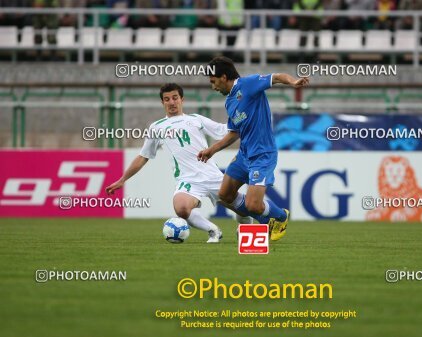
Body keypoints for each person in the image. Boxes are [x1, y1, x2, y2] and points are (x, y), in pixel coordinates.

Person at [105, 83, 252, 243]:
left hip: (213, 176)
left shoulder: (196, 119)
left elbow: (224, 130)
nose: (171, 102)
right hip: (188, 180)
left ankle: (245, 229)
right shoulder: (156, 127)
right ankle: (213, 231)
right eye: (167, 99)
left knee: (244, 209)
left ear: (182, 99)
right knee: (181, 207)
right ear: (163, 103)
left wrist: (241, 117)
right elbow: (143, 156)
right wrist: (122, 180)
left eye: (175, 98)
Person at [198, 56, 309, 241]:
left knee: (253, 205)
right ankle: (266, 222)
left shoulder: (248, 84)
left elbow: (277, 77)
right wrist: (212, 150)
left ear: (224, 77)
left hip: (262, 154)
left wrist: (293, 82)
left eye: (213, 81)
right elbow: (234, 132)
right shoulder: (229, 102)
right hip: (244, 155)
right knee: (224, 194)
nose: (213, 87)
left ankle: (280, 216)